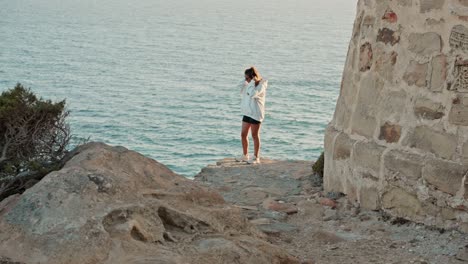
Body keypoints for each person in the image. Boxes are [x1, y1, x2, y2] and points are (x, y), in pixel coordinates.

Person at [235, 66, 268, 164]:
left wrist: (252, 82)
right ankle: (245, 155)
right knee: (243, 134)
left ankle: (255, 157)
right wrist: (246, 81)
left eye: (247, 78)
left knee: (254, 135)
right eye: (245, 78)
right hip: (247, 112)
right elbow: (239, 88)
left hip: (256, 113)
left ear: (253, 77)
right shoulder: (248, 83)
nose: (246, 80)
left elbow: (252, 93)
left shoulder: (260, 86)